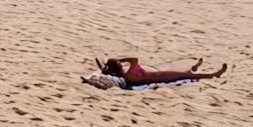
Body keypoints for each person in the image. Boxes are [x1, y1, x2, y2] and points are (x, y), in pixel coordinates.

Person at [97, 57, 227, 87]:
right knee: (184, 76)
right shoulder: (129, 75)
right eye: (120, 64)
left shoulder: (128, 73)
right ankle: (214, 74)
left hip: (160, 75)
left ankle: (192, 70)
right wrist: (120, 59)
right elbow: (134, 59)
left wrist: (114, 63)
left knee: (182, 74)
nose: (122, 63)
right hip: (160, 78)